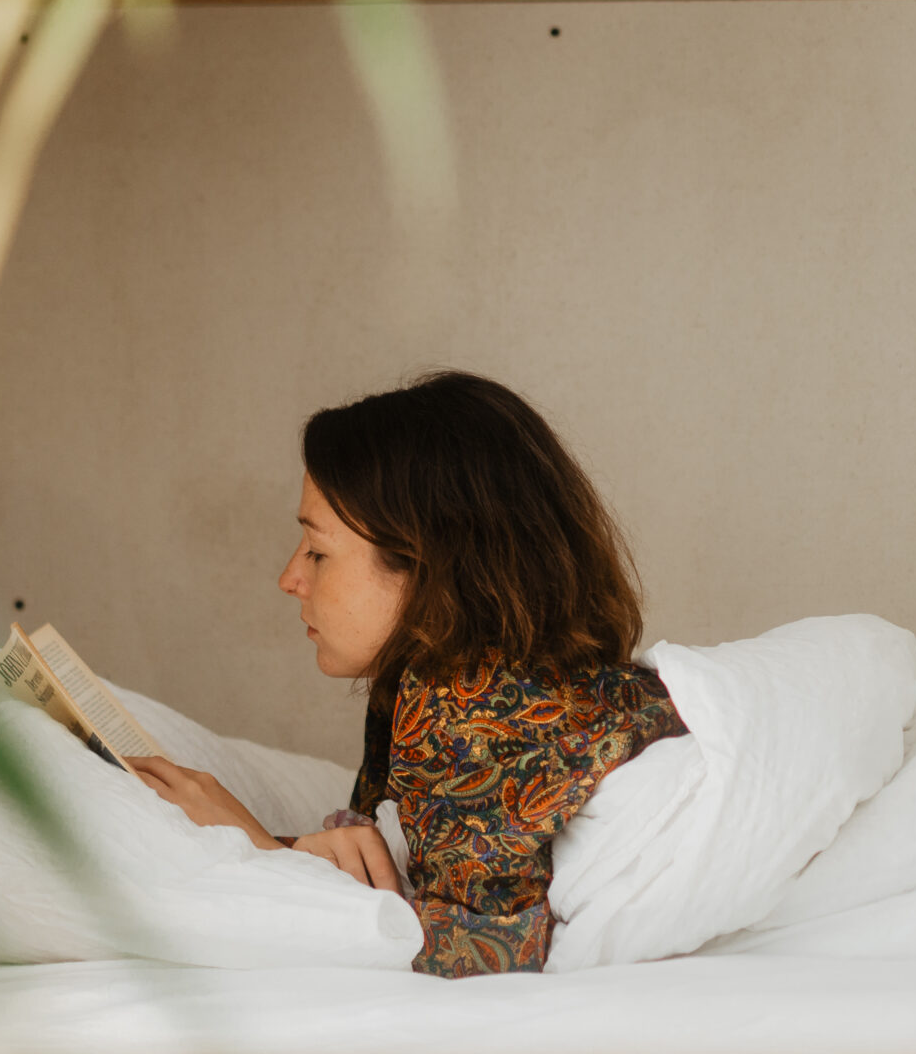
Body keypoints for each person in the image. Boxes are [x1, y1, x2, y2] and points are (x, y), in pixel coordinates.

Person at [128, 371, 685, 977]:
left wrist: (257, 850)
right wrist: (284, 848)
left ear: (426, 567)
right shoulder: (431, 687)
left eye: (317, 551)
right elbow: (400, 881)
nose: (289, 579)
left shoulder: (471, 705)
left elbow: (476, 965)